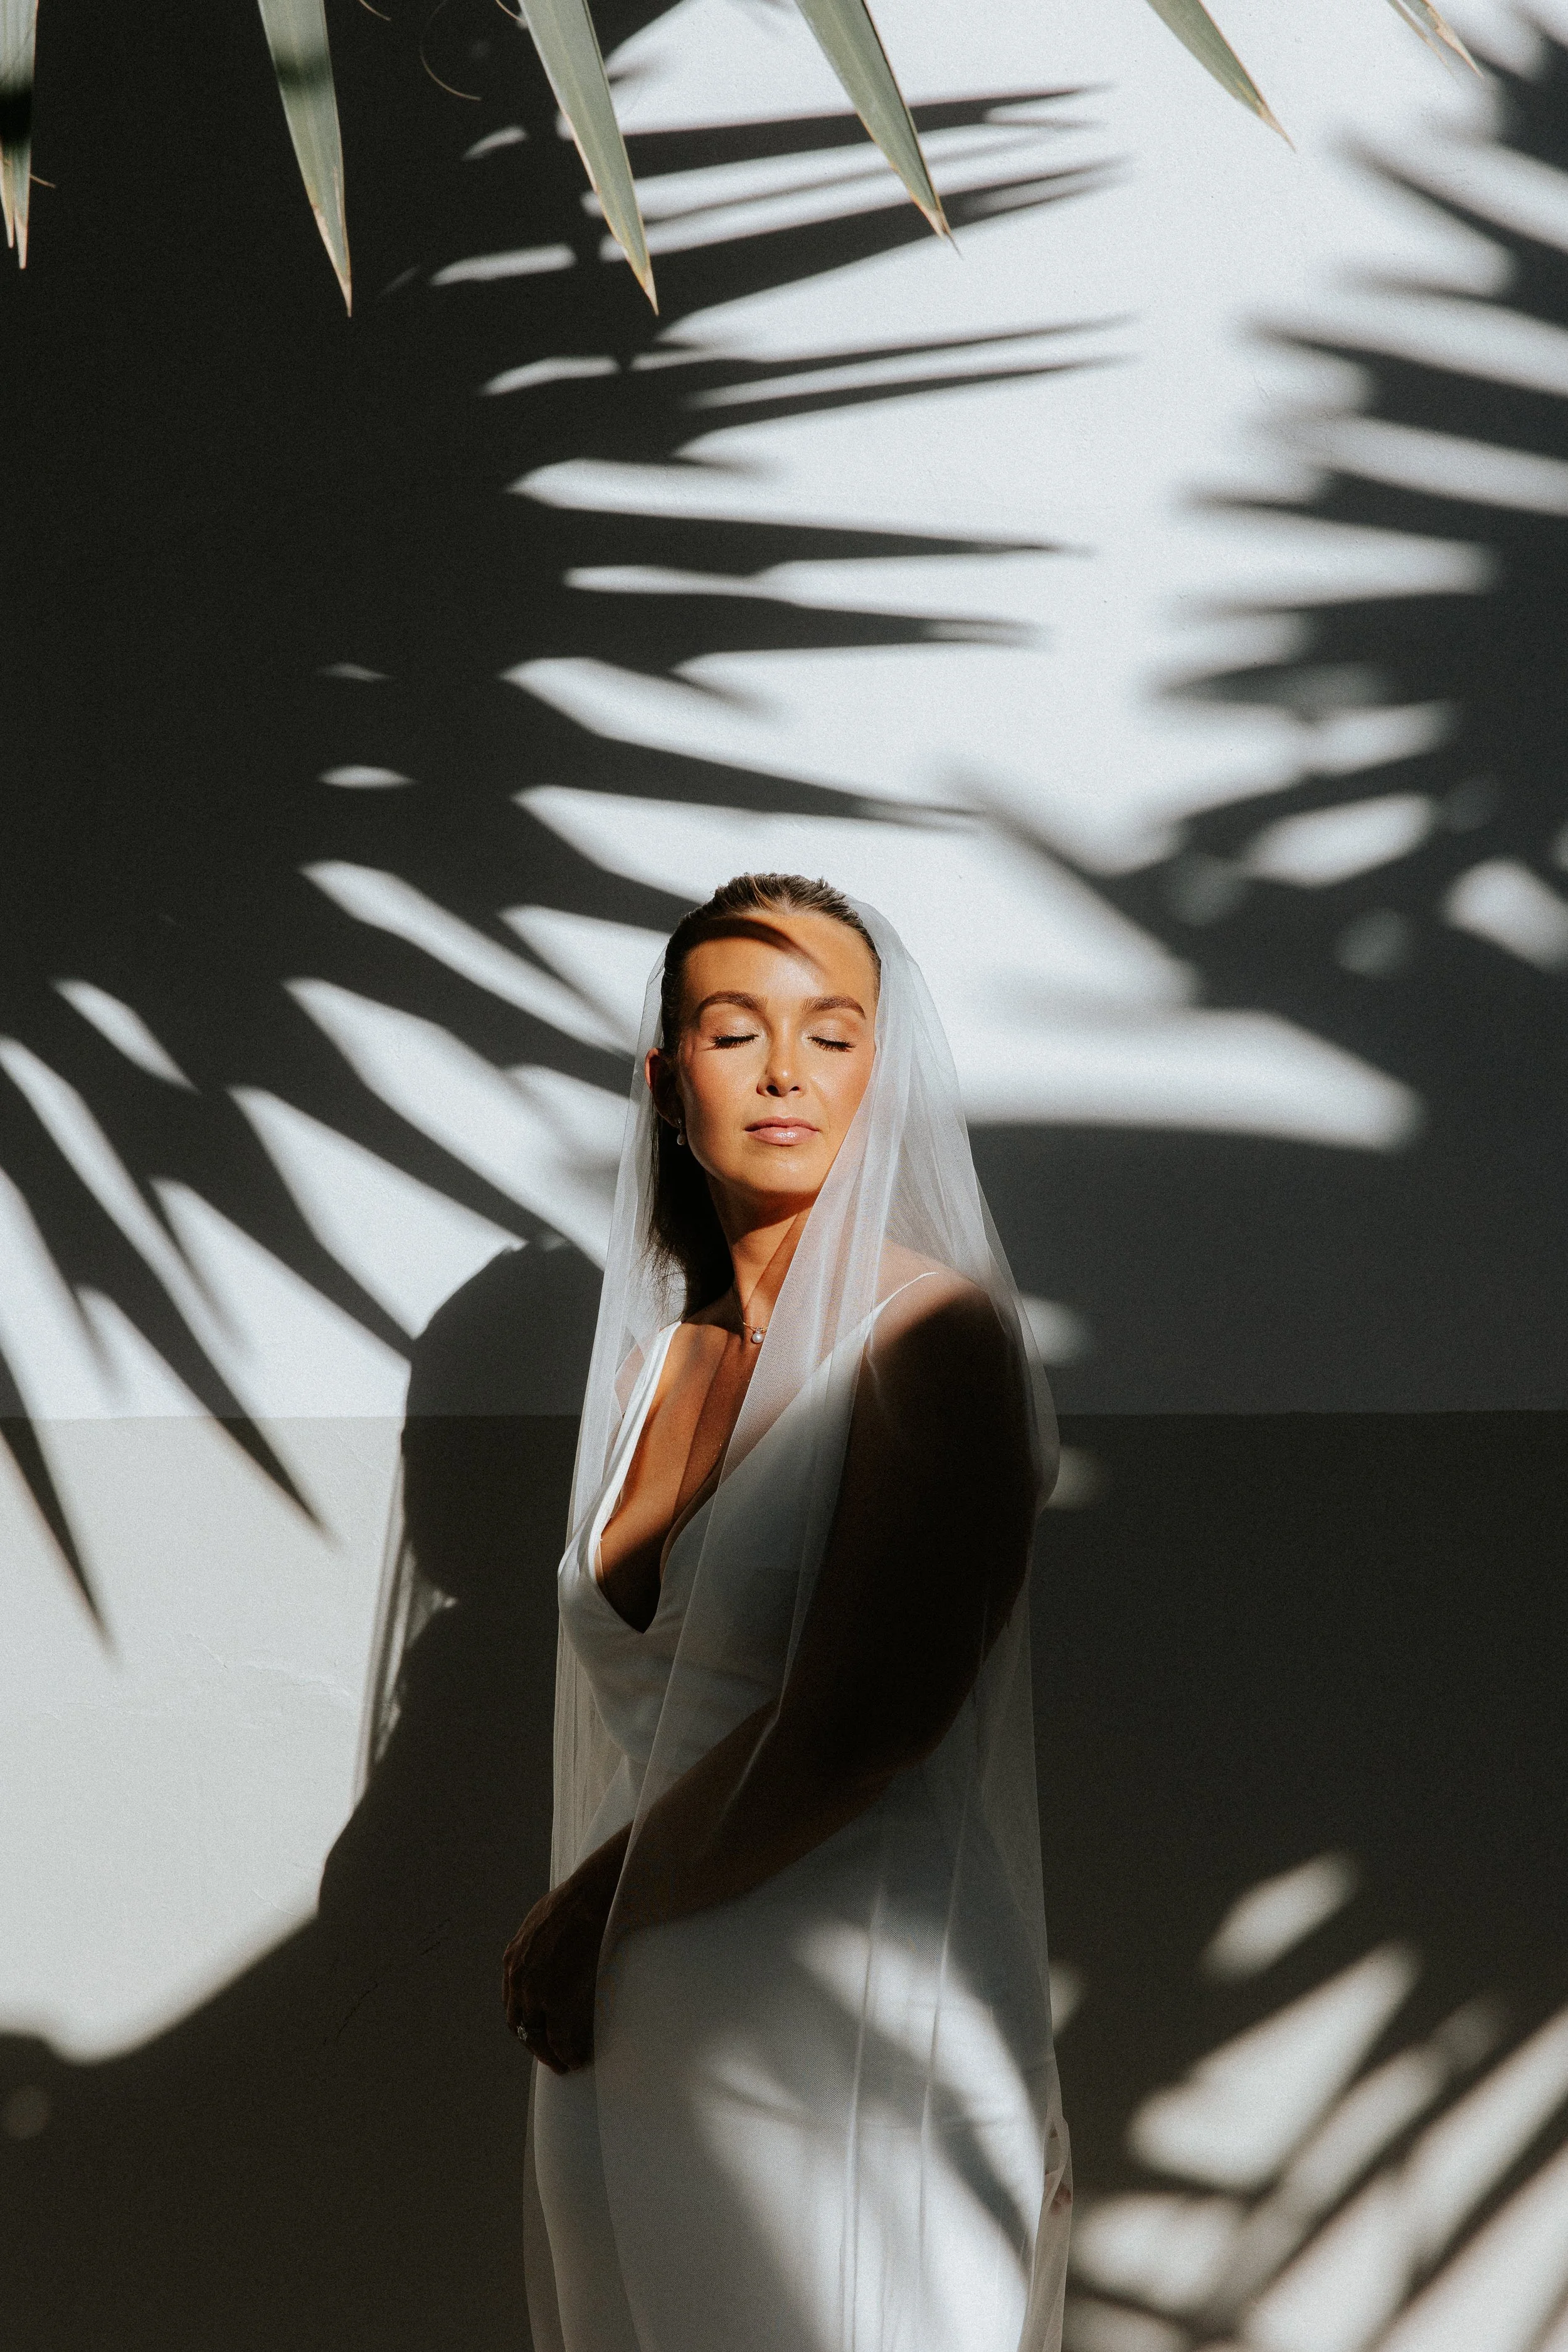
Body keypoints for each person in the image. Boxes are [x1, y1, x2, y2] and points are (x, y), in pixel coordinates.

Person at [503, 874, 1072, 2352]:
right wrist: (600, 1945)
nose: (780, 1073)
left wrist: (592, 1908)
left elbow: (866, 1722)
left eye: (829, 1034)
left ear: (881, 1076)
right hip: (631, 2048)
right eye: (731, 1029)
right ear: (664, 1079)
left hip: (862, 2041)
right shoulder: (653, 1371)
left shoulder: (930, 1337)